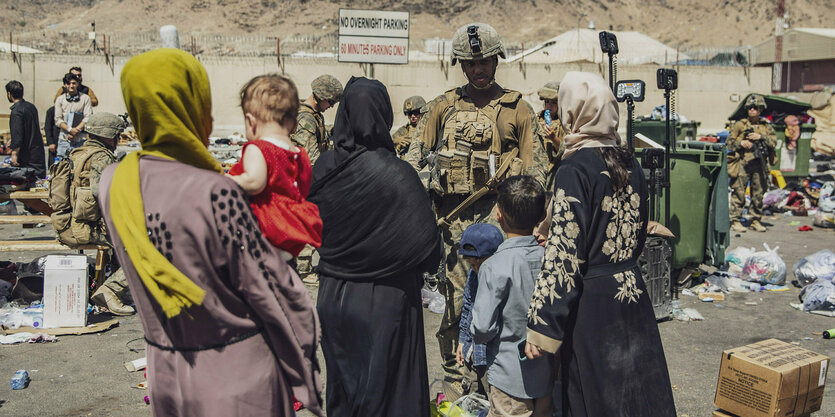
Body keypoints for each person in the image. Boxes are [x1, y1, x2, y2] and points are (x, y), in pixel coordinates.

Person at [98, 48, 322, 416]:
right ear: (193, 106)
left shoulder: (115, 182)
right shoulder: (216, 190)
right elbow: (274, 291)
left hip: (167, 373)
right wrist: (305, 372)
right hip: (237, 375)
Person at [404, 22, 544, 400]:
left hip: (506, 228)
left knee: (506, 305)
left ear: (497, 60)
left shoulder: (518, 110)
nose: (478, 69)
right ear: (461, 65)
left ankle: (497, 377)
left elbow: (537, 172)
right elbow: (413, 162)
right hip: (454, 227)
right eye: (470, 63)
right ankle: (456, 378)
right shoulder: (442, 107)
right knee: (455, 305)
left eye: (484, 61)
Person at [524, 72, 676, 417]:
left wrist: (542, 325)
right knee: (636, 388)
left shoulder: (573, 168)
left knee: (593, 393)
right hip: (632, 293)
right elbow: (638, 233)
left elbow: (564, 253)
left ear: (572, 111)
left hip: (592, 302)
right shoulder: (629, 161)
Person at [308, 77, 441, 417]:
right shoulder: (398, 175)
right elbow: (429, 252)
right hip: (386, 301)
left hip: (333, 296)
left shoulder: (322, 168)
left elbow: (311, 227)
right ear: (384, 114)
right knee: (388, 393)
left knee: (345, 389)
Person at [471, 175, 552, 417]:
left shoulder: (493, 266)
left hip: (508, 377)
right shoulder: (549, 258)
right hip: (546, 376)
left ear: (499, 215)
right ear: (541, 217)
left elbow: (482, 327)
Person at [227, 74, 322, 261]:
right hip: (291, 236)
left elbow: (254, 182)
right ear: (295, 125)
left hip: (263, 232)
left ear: (251, 122)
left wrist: (223, 179)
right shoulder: (300, 154)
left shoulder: (259, 149)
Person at [61, 112, 133, 315]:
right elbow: (101, 191)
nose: (118, 140)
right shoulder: (101, 156)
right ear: (107, 135)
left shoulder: (78, 153)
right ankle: (111, 291)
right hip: (90, 229)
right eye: (116, 135)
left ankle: (121, 289)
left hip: (73, 224)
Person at [291, 74, 343, 283]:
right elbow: (311, 157)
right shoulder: (305, 118)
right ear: (321, 95)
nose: (331, 106)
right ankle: (303, 270)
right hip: (303, 180)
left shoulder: (314, 114)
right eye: (330, 101)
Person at [455, 222, 504, 397]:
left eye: (479, 264)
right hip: (472, 352)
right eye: (471, 265)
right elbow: (468, 305)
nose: (476, 269)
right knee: (472, 401)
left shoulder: (503, 278)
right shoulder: (473, 276)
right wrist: (462, 341)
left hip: (493, 359)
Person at [727, 94, 777, 233]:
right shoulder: (740, 125)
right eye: (750, 108)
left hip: (759, 163)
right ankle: (735, 220)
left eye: (755, 108)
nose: (752, 110)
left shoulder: (766, 126)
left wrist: (760, 137)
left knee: (758, 193)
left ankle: (755, 220)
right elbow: (729, 143)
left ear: (760, 110)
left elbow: (774, 142)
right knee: (739, 192)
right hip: (743, 163)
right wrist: (741, 143)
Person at [6, 81, 46, 179]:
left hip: (27, 160)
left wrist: (14, 154)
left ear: (9, 94)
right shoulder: (31, 107)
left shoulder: (16, 112)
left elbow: (18, 136)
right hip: (37, 156)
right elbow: (28, 129)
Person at [54, 72, 93, 158]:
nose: (71, 86)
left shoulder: (85, 98)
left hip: (81, 140)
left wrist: (75, 131)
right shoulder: (60, 100)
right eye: (69, 83)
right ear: (65, 85)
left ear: (78, 84)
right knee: (61, 167)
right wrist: (70, 129)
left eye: (74, 83)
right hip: (64, 140)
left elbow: (88, 117)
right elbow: (58, 120)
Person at [536, 82, 566, 189]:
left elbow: (567, 151)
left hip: (556, 174)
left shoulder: (565, 123)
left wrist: (554, 138)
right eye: (546, 102)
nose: (549, 106)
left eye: (554, 103)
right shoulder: (536, 119)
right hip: (538, 174)